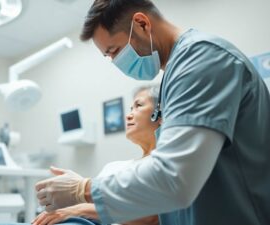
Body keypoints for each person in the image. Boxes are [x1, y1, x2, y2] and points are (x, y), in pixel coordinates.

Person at [35, 1, 270, 225]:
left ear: (142, 24)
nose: (115, 61)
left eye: (115, 51)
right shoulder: (175, 73)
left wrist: (82, 189)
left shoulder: (202, 58)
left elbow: (175, 179)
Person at [32, 85, 161, 225]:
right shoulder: (114, 166)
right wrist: (72, 196)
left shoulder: (164, 167)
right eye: (131, 109)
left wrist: (77, 207)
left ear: (161, 114)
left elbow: (150, 216)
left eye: (139, 106)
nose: (128, 115)